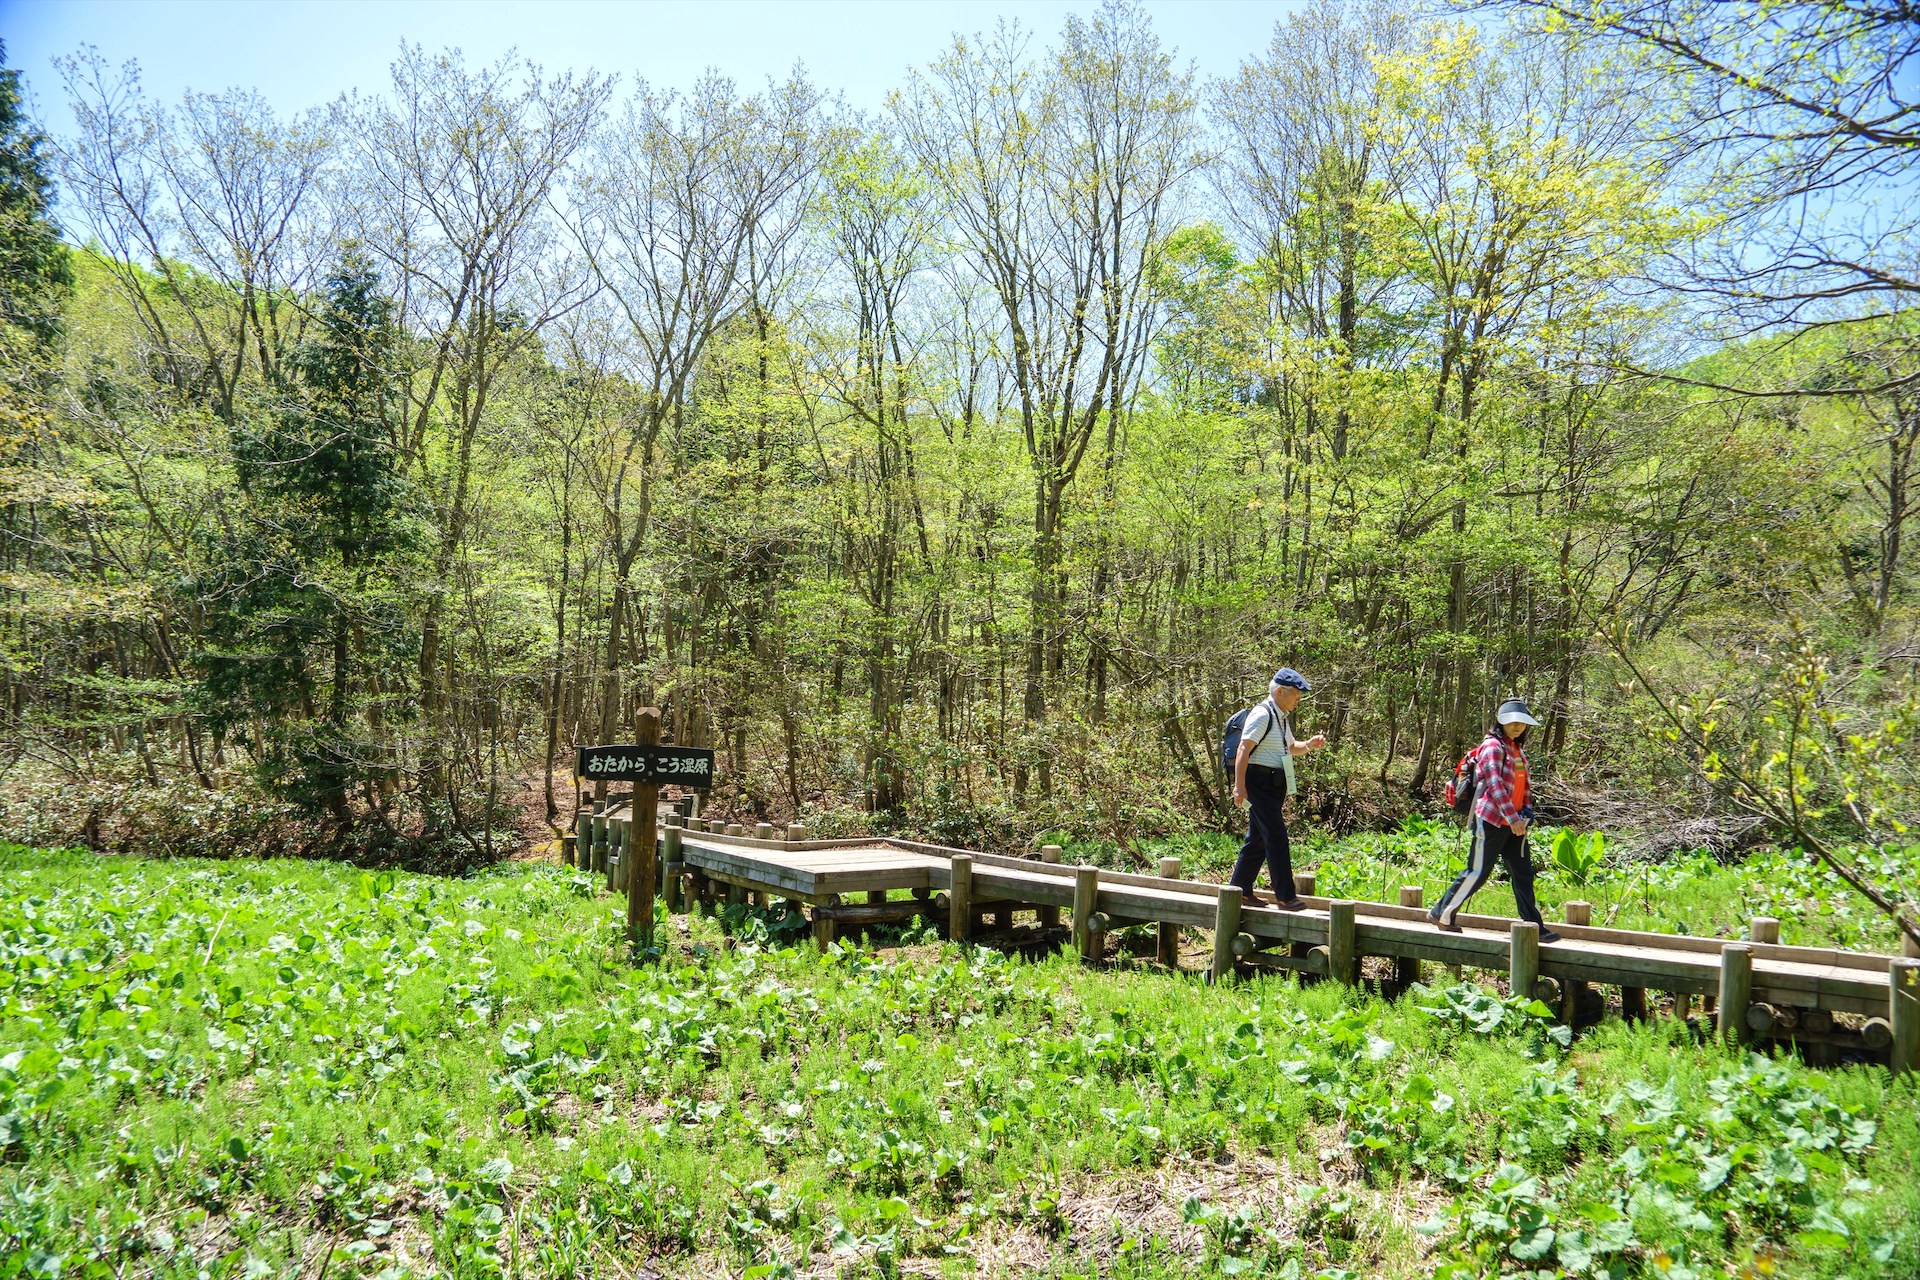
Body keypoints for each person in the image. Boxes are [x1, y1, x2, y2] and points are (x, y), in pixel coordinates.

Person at [1429, 697, 1560, 942]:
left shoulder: (1516, 749)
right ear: (1500, 722)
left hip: (1516, 822)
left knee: (1523, 873)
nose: (1517, 725)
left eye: (1521, 721)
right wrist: (1512, 818)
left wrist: (1526, 815)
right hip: (1491, 820)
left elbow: (1525, 788)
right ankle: (1442, 913)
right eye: (1512, 721)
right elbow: (1495, 785)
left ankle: (1534, 926)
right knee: (1477, 871)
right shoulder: (1493, 747)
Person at [1230, 667, 1328, 908]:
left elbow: (1290, 748)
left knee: (1259, 839)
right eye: (1296, 694)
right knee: (1276, 837)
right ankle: (1285, 896)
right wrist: (1239, 786)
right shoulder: (1262, 714)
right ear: (1280, 691)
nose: (1299, 700)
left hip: (1273, 785)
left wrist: (1310, 745)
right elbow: (1243, 749)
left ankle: (1239, 890)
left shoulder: (1280, 716)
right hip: (1258, 782)